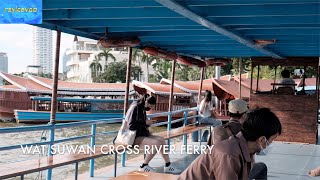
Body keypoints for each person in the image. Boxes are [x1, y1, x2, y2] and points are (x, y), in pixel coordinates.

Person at [178, 108, 282, 180]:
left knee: (261, 168)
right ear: (262, 140)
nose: (271, 143)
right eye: (272, 139)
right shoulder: (229, 154)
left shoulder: (246, 147)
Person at [126, 94, 181, 173]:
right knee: (157, 143)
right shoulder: (135, 107)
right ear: (146, 102)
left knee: (162, 140)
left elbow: (139, 123)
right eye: (151, 106)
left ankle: (168, 165)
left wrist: (147, 123)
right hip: (132, 137)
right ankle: (143, 166)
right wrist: (145, 122)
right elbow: (131, 126)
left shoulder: (141, 107)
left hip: (140, 134)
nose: (151, 108)